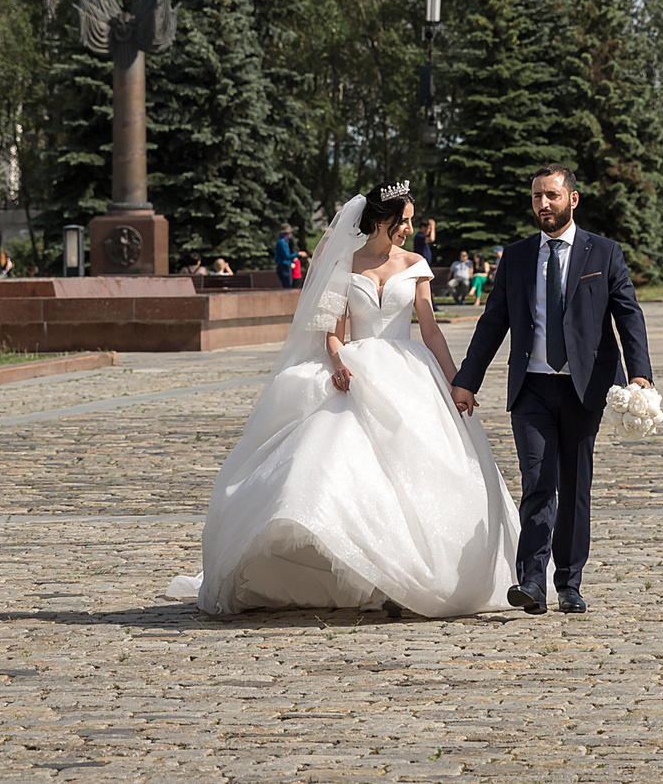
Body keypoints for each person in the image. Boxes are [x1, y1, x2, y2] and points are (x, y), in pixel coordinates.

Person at [169, 182, 516, 617]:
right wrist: (337, 361)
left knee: (416, 468)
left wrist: (456, 381)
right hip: (357, 369)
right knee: (340, 466)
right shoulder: (344, 264)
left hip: (410, 371)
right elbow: (332, 332)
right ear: (382, 220)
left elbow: (430, 332)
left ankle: (408, 571)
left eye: (410, 220)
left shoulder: (416, 264)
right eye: (403, 220)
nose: (410, 228)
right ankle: (359, 562)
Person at [450, 165, 655, 615]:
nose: (544, 204)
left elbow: (628, 314)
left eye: (552, 196)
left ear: (572, 199)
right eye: (537, 196)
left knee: (575, 484)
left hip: (585, 389)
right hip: (532, 388)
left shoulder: (604, 253)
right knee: (538, 481)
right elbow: (493, 323)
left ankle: (570, 583)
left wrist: (639, 372)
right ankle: (530, 580)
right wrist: (467, 380)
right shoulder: (518, 257)